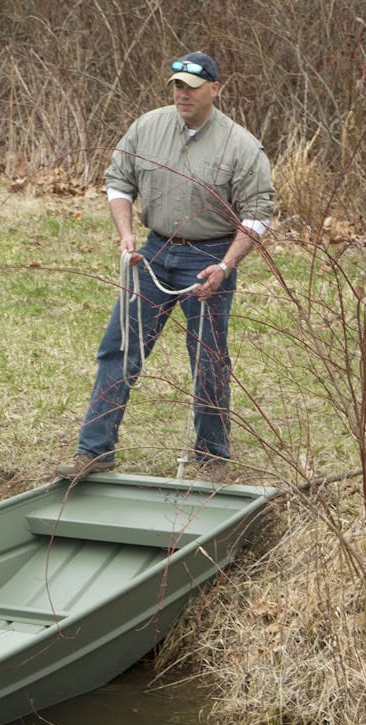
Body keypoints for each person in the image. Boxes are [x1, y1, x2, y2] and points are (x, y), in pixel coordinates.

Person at [56, 50, 274, 484]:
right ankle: (94, 451)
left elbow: (258, 214)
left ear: (215, 89)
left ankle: (212, 459)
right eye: (177, 85)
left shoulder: (241, 146)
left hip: (207, 260)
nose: (182, 94)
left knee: (209, 359)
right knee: (119, 350)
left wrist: (226, 266)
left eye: (192, 88)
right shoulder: (147, 127)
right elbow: (118, 181)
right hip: (152, 254)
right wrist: (125, 232)